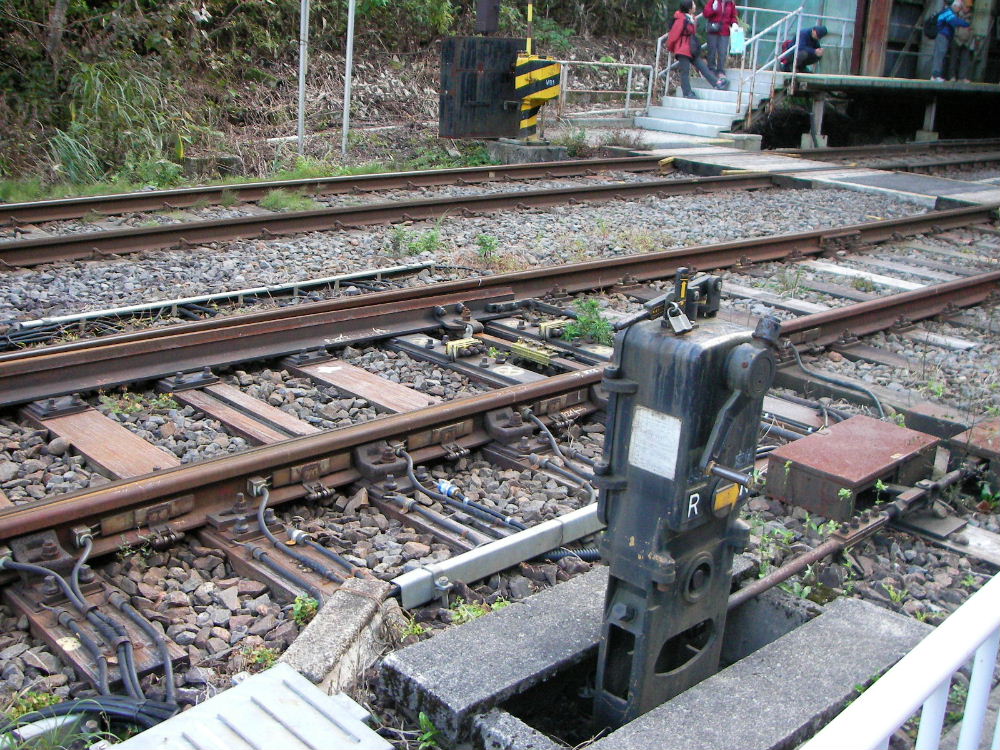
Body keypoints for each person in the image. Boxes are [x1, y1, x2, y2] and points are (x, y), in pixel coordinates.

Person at [667, 0, 728, 99]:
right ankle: (687, 92)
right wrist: (671, 47)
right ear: (689, 8)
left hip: (691, 49)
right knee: (685, 72)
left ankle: (716, 83)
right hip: (683, 49)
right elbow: (673, 35)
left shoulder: (691, 18)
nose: (695, 6)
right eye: (693, 4)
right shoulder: (681, 19)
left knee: (702, 66)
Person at [931, 0, 970, 81]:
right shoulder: (948, 12)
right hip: (942, 35)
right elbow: (954, 21)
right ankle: (935, 75)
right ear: (955, 6)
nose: (959, 10)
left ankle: (937, 75)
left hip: (945, 36)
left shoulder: (949, 12)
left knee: (941, 55)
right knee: (939, 55)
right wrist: (967, 24)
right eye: (959, 8)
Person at [703, 0, 740, 79]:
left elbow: (733, 16)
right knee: (711, 50)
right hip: (713, 30)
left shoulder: (730, 3)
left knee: (722, 51)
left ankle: (720, 70)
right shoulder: (713, 1)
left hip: (724, 31)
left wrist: (734, 23)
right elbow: (706, 14)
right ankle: (711, 69)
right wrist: (713, 9)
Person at [948, 2, 974, 81]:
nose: (968, 9)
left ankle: (962, 77)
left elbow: (973, 29)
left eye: (969, 7)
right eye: (967, 7)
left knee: (965, 60)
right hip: (956, 39)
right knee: (953, 59)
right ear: (963, 6)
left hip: (966, 41)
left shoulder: (972, 17)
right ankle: (952, 76)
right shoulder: (957, 14)